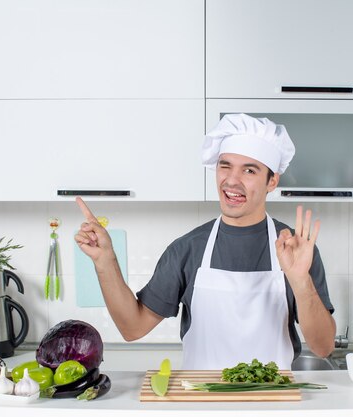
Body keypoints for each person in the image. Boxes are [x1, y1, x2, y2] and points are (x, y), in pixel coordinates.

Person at [75, 113, 336, 370]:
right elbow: (132, 328)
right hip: (201, 401)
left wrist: (301, 282)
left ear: (272, 181)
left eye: (249, 170)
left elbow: (323, 347)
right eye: (225, 165)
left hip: (272, 401)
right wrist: (105, 261)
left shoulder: (295, 250)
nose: (232, 180)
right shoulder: (187, 249)